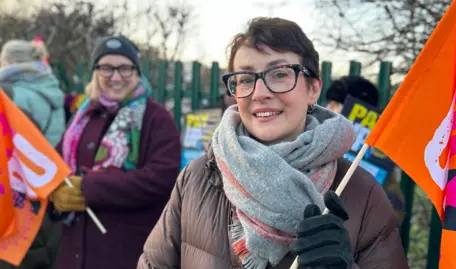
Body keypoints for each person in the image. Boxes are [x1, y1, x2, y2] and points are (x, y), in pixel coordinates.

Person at [137, 17, 408, 269]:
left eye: (279, 74)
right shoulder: (198, 179)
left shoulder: (361, 190)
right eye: (245, 79)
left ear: (313, 89)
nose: (260, 93)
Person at [48, 35, 182, 269]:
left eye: (125, 69)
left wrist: (89, 188)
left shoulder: (156, 118)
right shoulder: (82, 117)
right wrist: (55, 194)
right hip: (74, 253)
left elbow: (163, 177)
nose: (116, 77)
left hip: (126, 253)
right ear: (96, 72)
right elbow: (55, 165)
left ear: (137, 71)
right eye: (107, 68)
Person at [0, 39, 65, 269]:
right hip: (46, 186)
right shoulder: (51, 87)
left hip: (15, 193)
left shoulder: (10, 93)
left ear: (9, 61)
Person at [325, 76, 406, 227]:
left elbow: (393, 217)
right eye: (329, 103)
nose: (329, 110)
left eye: (336, 104)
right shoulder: (314, 143)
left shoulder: (380, 162)